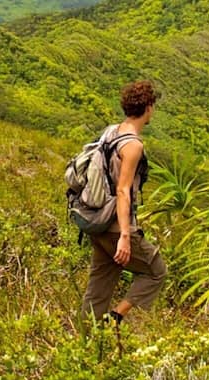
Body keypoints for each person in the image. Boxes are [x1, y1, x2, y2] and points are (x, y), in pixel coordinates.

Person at [83, 80, 168, 324]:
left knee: (97, 289)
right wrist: (125, 236)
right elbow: (123, 190)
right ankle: (116, 317)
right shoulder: (133, 145)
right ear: (149, 107)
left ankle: (86, 344)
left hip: (97, 220)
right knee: (156, 272)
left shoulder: (112, 131)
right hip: (115, 226)